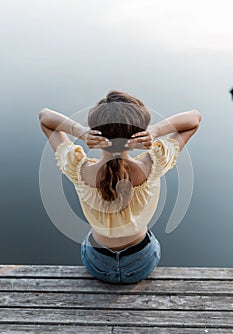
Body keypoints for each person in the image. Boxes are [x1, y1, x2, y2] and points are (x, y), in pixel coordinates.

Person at [39, 90, 201, 284]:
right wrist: (155, 131)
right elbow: (194, 119)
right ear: (138, 134)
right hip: (141, 263)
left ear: (95, 132)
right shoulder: (153, 164)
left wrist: (81, 132)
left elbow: (45, 117)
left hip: (98, 264)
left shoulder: (78, 169)